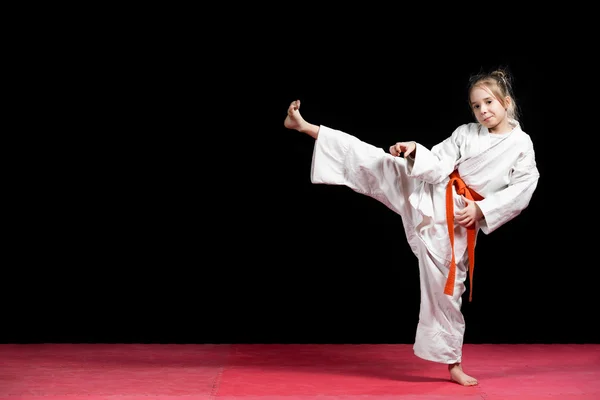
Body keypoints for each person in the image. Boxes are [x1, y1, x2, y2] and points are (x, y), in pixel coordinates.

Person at [283, 68, 540, 386]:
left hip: (457, 218)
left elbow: (523, 189)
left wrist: (481, 209)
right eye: (476, 106)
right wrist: (415, 151)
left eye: (488, 102)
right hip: (431, 191)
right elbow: (441, 162)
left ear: (505, 102)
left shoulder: (521, 145)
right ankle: (306, 127)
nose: (483, 110)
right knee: (380, 163)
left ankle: (453, 364)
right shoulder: (466, 133)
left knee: (447, 290)